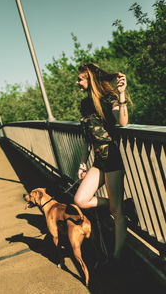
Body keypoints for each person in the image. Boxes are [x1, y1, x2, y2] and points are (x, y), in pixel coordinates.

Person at [74, 63, 131, 262]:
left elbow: (122, 122)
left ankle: (117, 257)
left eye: (80, 78)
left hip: (112, 158)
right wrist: (82, 162)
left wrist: (121, 94)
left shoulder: (110, 98)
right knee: (80, 200)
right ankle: (122, 207)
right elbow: (87, 137)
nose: (77, 82)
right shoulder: (84, 104)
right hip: (98, 160)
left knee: (117, 213)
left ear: (90, 79)